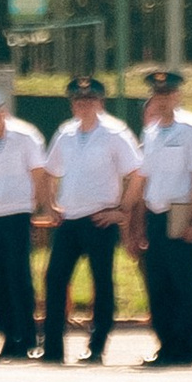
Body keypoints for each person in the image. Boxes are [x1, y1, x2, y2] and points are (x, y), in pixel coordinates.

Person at [41, 74, 138, 365]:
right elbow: (48, 172)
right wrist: (50, 206)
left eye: (89, 100)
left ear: (100, 102)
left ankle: (96, 346)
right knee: (55, 278)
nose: (83, 106)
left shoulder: (115, 132)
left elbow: (137, 174)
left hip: (99, 219)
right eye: (78, 101)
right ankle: (53, 348)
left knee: (101, 283)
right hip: (69, 219)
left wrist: (122, 210)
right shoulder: (66, 133)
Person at [127, 66, 192, 370]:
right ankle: (165, 345)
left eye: (167, 93)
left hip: (181, 212)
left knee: (182, 282)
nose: (162, 99)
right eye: (157, 94)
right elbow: (146, 180)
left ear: (177, 95)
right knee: (157, 283)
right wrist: (137, 225)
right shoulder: (150, 133)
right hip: (155, 213)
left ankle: (187, 347)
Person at [0, 87, 48, 361]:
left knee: (19, 276)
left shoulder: (25, 136)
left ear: (1, 113)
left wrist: (38, 206)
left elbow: (38, 173)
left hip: (19, 211)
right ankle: (8, 336)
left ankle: (27, 337)